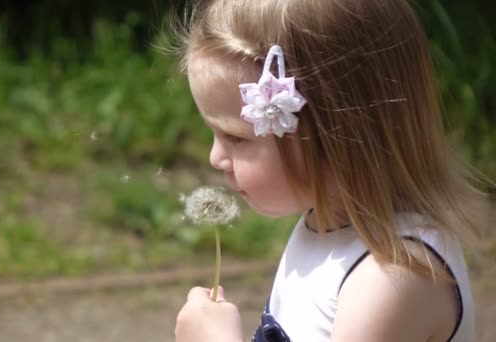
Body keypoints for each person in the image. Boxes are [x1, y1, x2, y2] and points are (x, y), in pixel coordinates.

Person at [172, 0, 492, 341]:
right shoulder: (327, 227)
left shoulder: (391, 280)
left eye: (235, 138)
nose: (214, 157)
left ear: (333, 137)